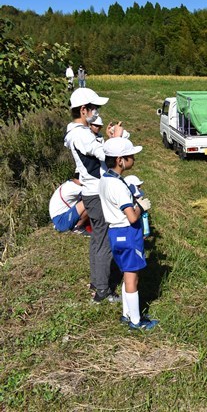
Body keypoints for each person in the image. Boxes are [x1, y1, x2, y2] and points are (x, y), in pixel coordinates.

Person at [64, 88, 126, 303]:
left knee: (98, 239)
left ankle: (96, 280)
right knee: (104, 241)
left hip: (91, 192)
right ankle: (103, 290)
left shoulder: (77, 133)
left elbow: (97, 151)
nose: (97, 111)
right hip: (96, 194)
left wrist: (105, 138)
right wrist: (117, 139)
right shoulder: (81, 135)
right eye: (94, 108)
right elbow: (107, 155)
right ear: (83, 110)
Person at [100, 137, 158, 330]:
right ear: (120, 160)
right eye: (130, 155)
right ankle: (136, 322)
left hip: (115, 233)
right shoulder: (118, 186)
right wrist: (140, 206)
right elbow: (132, 217)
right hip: (128, 232)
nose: (133, 158)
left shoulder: (105, 179)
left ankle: (127, 314)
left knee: (127, 274)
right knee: (133, 277)